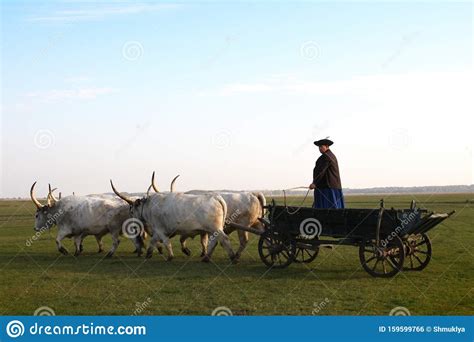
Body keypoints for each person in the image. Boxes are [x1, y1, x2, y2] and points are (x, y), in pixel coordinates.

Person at [309, 138, 345, 209]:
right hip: (332, 186)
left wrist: (314, 183)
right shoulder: (331, 155)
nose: (320, 148)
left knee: (328, 209)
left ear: (327, 146)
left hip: (327, 188)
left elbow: (321, 171)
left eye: (321, 146)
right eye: (319, 147)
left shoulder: (326, 156)